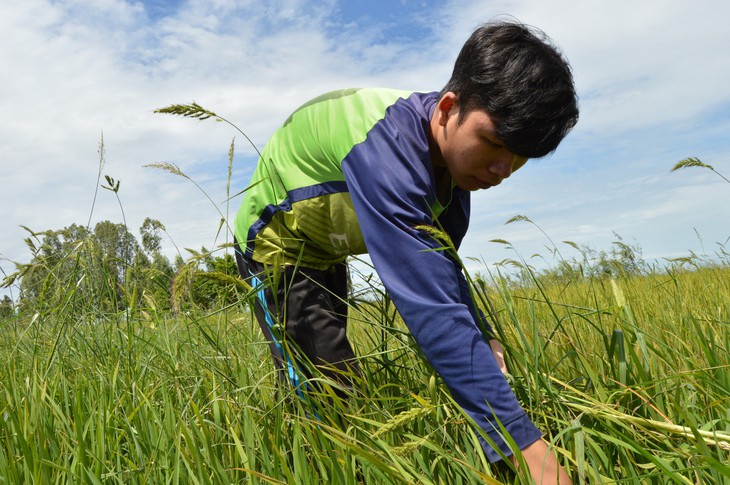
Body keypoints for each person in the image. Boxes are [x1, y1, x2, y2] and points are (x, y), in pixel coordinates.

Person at [233, 20, 578, 483]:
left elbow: (445, 278)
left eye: (519, 157)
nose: (503, 169)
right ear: (448, 108)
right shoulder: (388, 152)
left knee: (352, 375)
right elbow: (430, 309)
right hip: (278, 247)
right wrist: (526, 445)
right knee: (327, 393)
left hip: (327, 249)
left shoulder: (455, 177)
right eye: (494, 142)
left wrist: (485, 333)